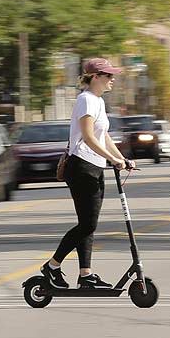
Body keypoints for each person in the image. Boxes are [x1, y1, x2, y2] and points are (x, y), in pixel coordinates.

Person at [41, 58, 135, 290]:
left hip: (93, 166)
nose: (112, 79)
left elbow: (103, 136)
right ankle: (52, 266)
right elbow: (89, 137)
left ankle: (85, 275)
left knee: (88, 224)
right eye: (108, 75)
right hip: (81, 166)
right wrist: (112, 159)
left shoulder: (98, 102)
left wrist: (120, 158)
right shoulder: (85, 100)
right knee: (88, 224)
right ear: (95, 77)